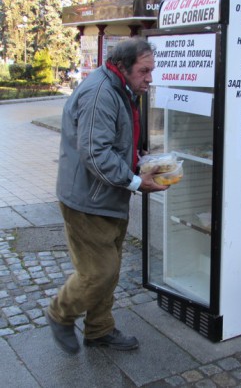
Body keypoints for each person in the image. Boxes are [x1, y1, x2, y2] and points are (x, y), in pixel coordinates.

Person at [46, 37, 168, 354]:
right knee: (98, 272)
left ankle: (99, 330)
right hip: (87, 200)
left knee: (110, 269)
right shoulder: (101, 93)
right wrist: (135, 181)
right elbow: (96, 153)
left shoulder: (122, 88)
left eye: (151, 70)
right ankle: (60, 313)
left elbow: (117, 143)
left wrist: (142, 162)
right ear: (123, 67)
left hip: (107, 196)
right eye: (144, 71)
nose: (149, 78)